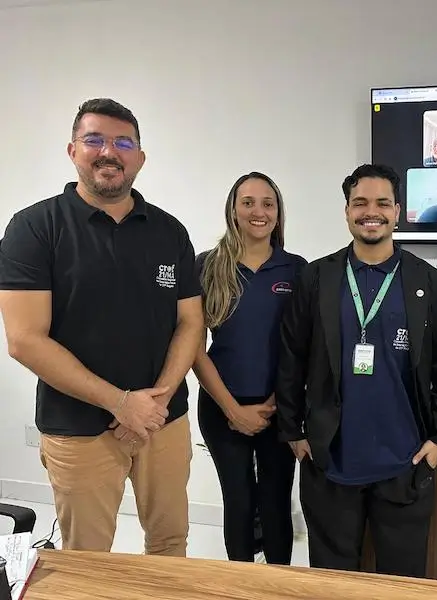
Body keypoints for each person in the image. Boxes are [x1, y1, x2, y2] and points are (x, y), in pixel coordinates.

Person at [0, 98, 204, 555]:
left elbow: (191, 322)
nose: (109, 152)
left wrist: (155, 404)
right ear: (73, 150)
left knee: (171, 544)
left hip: (163, 422)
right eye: (94, 140)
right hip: (79, 428)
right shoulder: (34, 228)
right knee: (88, 559)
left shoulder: (169, 231)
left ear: (140, 158)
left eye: (123, 143)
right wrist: (121, 403)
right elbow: (24, 340)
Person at [276, 163, 437, 577]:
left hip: (405, 461)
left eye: (382, 203)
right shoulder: (316, 277)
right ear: (347, 211)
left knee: (401, 582)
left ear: (397, 211)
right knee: (332, 581)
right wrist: (293, 430)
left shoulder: (427, 280)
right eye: (360, 203)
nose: (370, 212)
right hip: (330, 460)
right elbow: (291, 356)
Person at [192, 172, 307, 564]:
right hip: (221, 406)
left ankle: (277, 584)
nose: (259, 211)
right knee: (238, 501)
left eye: (268, 203)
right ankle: (241, 583)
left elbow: (303, 347)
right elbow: (193, 349)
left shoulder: (297, 269)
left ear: (278, 212)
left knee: (276, 502)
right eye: (248, 202)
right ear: (233, 210)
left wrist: (277, 402)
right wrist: (232, 409)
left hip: (281, 408)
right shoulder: (207, 266)